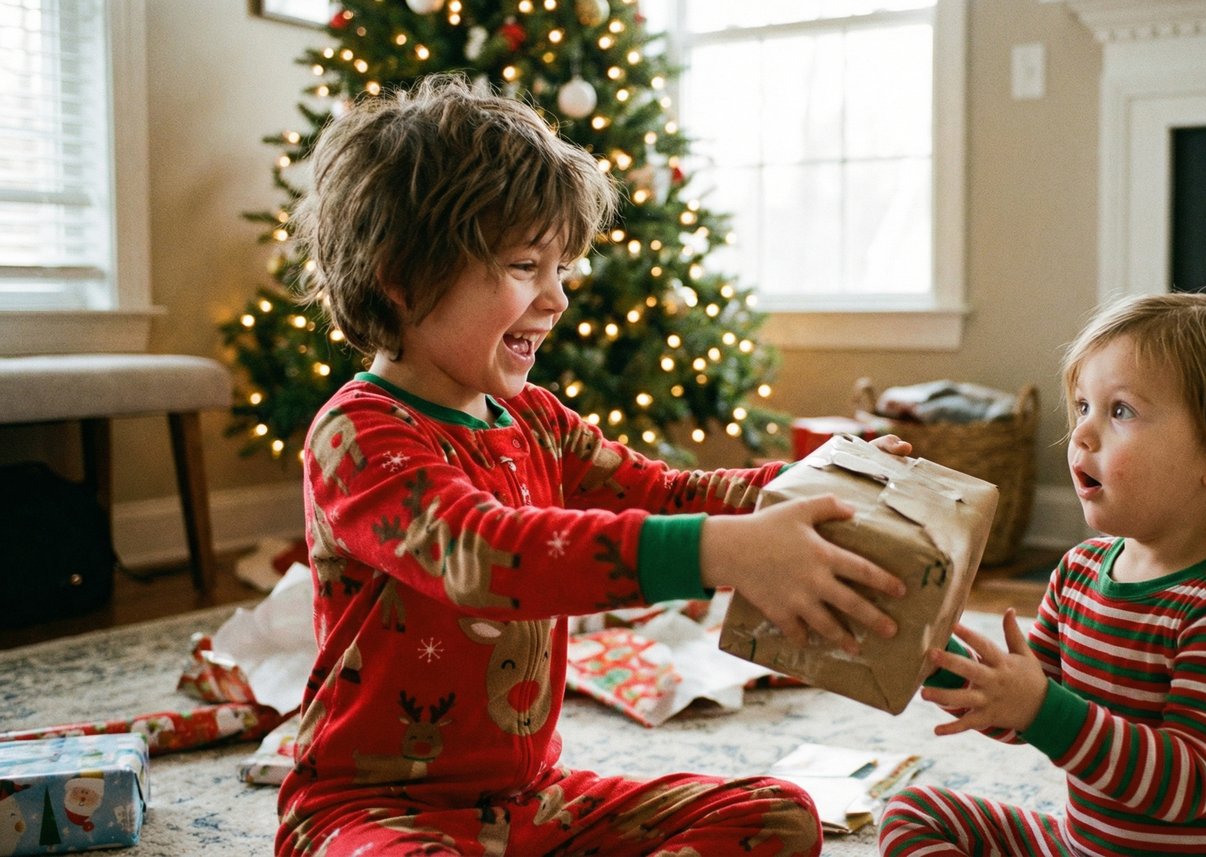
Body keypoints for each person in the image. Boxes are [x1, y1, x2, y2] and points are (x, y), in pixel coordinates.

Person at [276, 73, 911, 857]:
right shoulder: (358, 432)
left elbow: (662, 488)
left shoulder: (535, 419)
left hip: (531, 805)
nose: (557, 299)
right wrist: (724, 552)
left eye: (563, 270)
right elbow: (485, 552)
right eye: (523, 266)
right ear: (401, 277)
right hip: (373, 812)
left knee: (777, 815)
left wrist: (814, 486)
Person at [879, 292, 1206, 857]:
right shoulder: (1079, 572)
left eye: (1120, 411)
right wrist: (929, 648)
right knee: (913, 812)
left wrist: (1038, 707)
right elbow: (1021, 710)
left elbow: (1183, 785)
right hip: (1087, 847)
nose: (1082, 435)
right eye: (1082, 407)